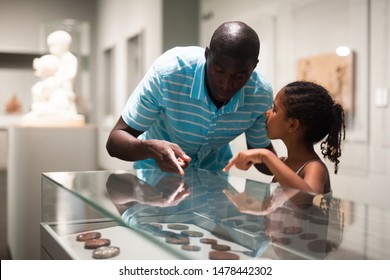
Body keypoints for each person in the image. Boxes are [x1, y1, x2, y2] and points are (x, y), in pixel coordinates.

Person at [106, 21, 275, 176]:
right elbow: (115, 140)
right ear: (207, 54)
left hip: (213, 179)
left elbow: (262, 154)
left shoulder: (260, 94)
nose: (226, 84)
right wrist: (150, 148)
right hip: (155, 177)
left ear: (254, 66)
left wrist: (297, 167)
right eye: (219, 71)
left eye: (239, 76)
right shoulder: (169, 73)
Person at [224, 81, 346, 194]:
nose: (267, 113)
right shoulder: (283, 163)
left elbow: (307, 198)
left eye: (274, 109)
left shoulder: (314, 168)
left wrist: (266, 156)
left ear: (292, 125)